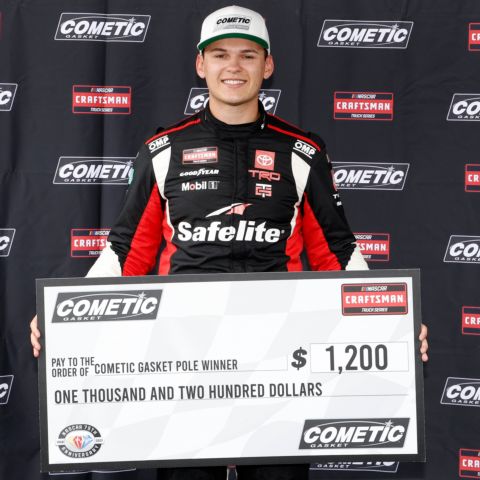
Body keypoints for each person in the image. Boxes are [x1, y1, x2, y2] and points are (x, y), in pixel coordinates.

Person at [31, 5, 428, 479]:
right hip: (184, 354)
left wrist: (390, 325)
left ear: (268, 64)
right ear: (201, 65)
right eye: (220, 55)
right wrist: (70, 320)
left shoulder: (303, 150)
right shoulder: (163, 149)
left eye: (247, 55)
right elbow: (126, 251)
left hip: (283, 353)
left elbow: (336, 254)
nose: (233, 67)